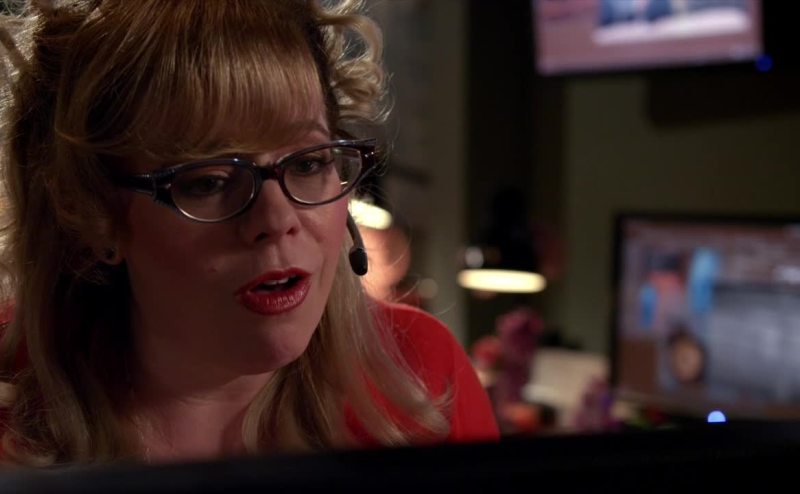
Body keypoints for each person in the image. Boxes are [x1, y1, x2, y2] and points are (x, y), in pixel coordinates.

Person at [0, 0, 498, 466]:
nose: (276, 220)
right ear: (93, 215)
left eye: (308, 163)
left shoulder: (420, 374)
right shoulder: (12, 402)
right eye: (209, 181)